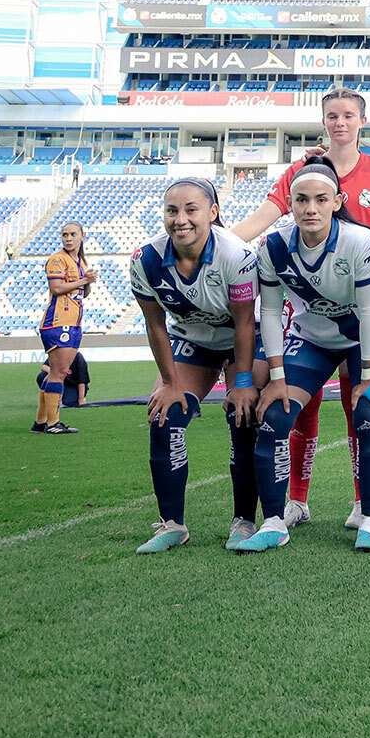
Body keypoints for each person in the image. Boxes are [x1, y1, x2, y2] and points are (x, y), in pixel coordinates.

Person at [232, 88, 370, 531]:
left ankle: (362, 503)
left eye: (348, 115)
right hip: (311, 310)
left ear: (362, 121)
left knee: (360, 405)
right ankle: (297, 499)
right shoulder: (300, 172)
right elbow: (263, 219)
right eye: (332, 115)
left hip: (364, 306)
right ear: (323, 121)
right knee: (296, 408)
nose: (340, 122)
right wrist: (217, 242)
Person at [126, 178, 260, 554]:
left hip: (241, 339)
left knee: (242, 413)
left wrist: (244, 381)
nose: (180, 219)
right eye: (171, 211)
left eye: (191, 210)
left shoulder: (236, 255)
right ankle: (172, 524)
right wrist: (169, 382)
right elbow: (155, 325)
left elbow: (246, 323)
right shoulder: (145, 260)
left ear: (213, 213)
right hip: (192, 341)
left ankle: (244, 521)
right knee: (163, 414)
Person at [35, 222, 93, 434]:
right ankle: (53, 423)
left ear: (81, 236)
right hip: (59, 322)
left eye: (72, 234)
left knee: (55, 373)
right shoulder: (57, 259)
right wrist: (84, 280)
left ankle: (41, 421)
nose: (68, 238)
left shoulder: (80, 261)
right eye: (65, 234)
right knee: (58, 373)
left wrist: (87, 282)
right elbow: (57, 288)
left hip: (72, 322)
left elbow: (83, 294)